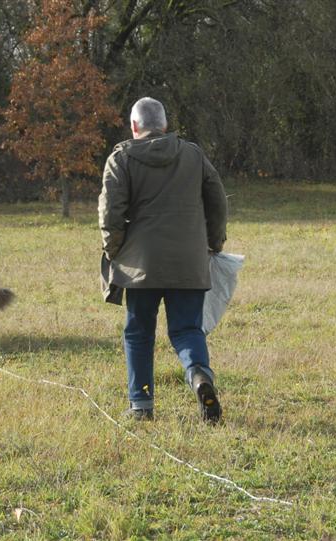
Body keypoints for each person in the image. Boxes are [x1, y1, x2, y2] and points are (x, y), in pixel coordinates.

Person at [98, 97, 228, 423]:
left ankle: (141, 404)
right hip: (189, 262)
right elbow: (217, 199)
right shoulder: (193, 155)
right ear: (165, 124)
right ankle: (199, 374)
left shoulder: (121, 158)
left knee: (139, 332)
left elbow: (110, 212)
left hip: (141, 265)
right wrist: (214, 243)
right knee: (187, 329)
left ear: (134, 126)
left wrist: (114, 251)